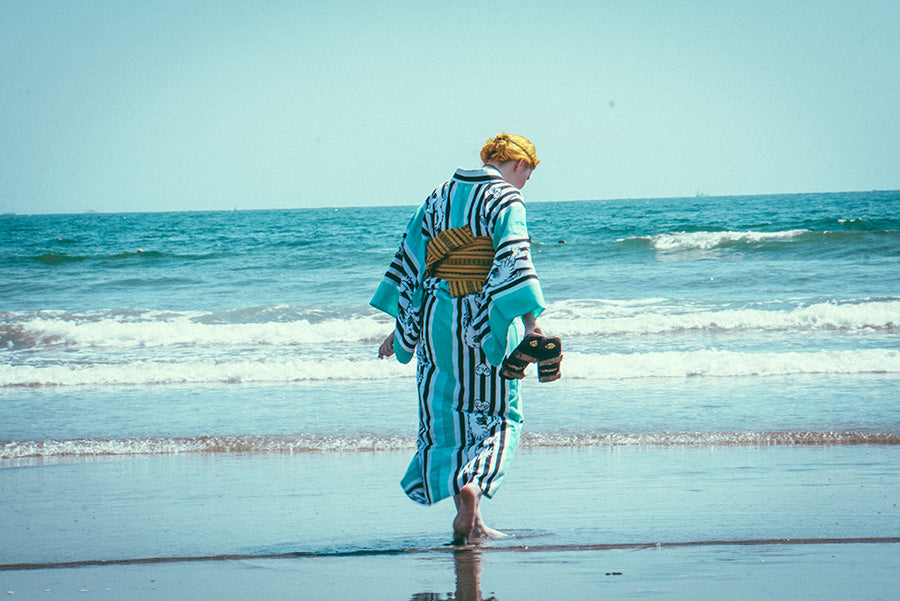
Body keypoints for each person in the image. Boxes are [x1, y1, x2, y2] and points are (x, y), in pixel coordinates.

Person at [371, 133, 547, 544]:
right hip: (483, 322)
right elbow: (515, 262)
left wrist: (401, 331)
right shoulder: (506, 198)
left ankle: (473, 519)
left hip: (436, 319)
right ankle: (477, 483)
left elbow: (413, 263)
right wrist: (532, 324)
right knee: (501, 415)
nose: (524, 185)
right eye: (528, 176)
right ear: (520, 165)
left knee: (447, 419)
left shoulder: (438, 195)